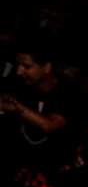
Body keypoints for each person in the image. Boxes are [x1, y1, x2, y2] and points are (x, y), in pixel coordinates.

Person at [0, 37, 82, 175]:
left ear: (47, 67)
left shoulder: (68, 93)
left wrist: (18, 109)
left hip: (50, 174)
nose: (19, 71)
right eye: (18, 65)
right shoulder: (18, 84)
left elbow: (49, 125)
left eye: (26, 66)